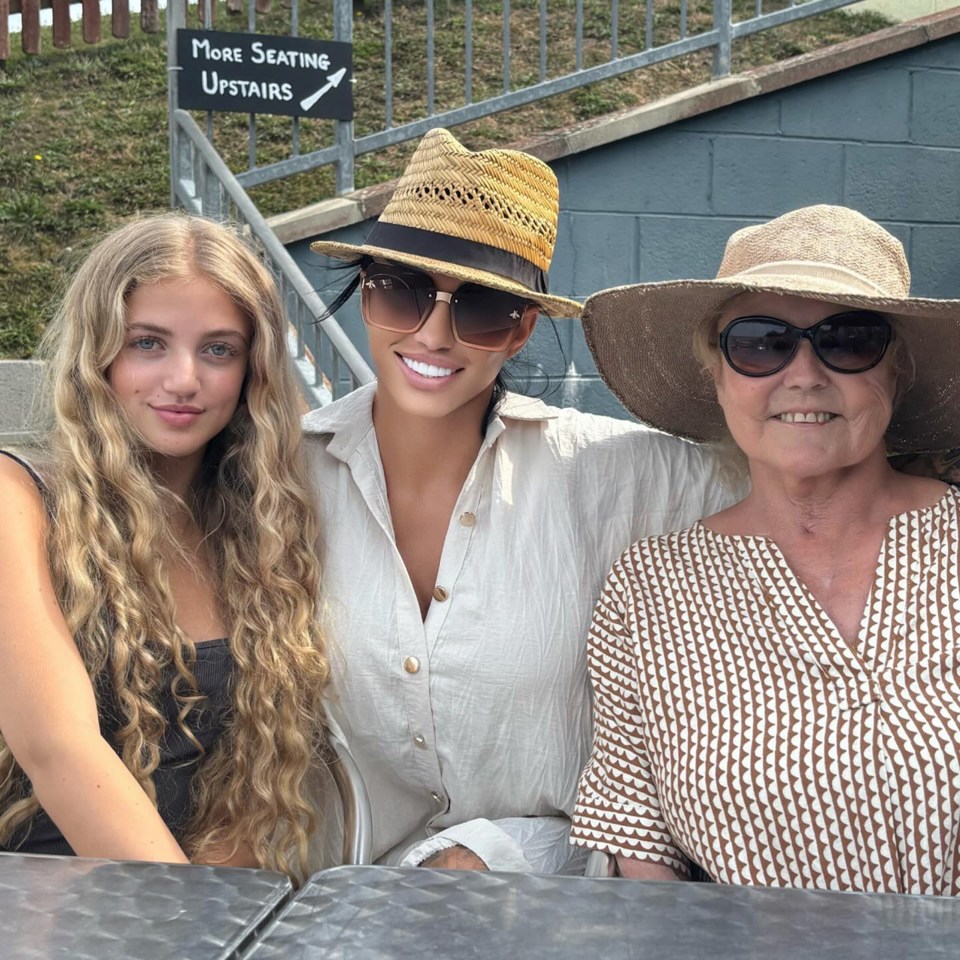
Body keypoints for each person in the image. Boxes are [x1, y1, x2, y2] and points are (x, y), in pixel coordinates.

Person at [304, 127, 739, 874]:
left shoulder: (609, 470)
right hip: (332, 911)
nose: (435, 335)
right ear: (365, 295)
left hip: (539, 903)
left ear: (523, 329)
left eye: (482, 310)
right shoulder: (283, 471)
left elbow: (799, 479)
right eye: (402, 292)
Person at [571, 204, 960, 894]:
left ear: (895, 372)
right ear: (717, 377)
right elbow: (637, 842)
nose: (805, 374)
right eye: (760, 343)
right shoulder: (651, 590)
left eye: (850, 339)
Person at [0, 214, 329, 880]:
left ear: (252, 368)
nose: (184, 379)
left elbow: (257, 778)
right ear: (100, 354)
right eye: (149, 343)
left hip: (205, 905)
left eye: (218, 349)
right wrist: (191, 929)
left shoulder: (260, 528)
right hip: (39, 908)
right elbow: (58, 749)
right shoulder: (20, 498)